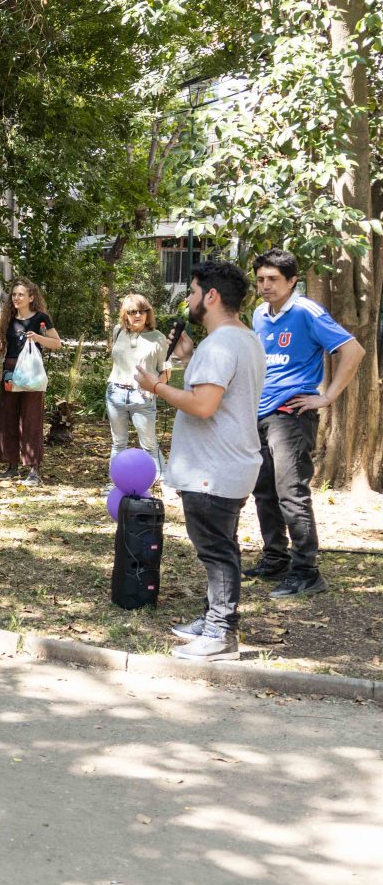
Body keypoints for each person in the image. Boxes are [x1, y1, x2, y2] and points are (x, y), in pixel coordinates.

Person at [135, 261, 265, 662]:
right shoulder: (243, 339)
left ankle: (220, 633)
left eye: (192, 292)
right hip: (229, 463)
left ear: (211, 296)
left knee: (215, 551)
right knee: (219, 545)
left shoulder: (221, 344)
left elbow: (205, 405)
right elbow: (220, 393)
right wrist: (191, 355)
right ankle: (214, 616)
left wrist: (155, 385)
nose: (188, 300)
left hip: (213, 469)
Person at [244, 248, 364, 598]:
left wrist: (326, 396)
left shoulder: (307, 311)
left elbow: (352, 350)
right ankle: (275, 558)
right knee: (264, 489)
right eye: (261, 279)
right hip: (261, 414)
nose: (266, 285)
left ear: (292, 280)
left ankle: (307, 571)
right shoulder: (260, 315)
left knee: (291, 492)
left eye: (273, 280)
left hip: (292, 416)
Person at [0, 277, 62, 485]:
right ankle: (11, 466)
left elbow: (57, 343)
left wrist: (38, 338)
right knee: (8, 417)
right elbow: (3, 346)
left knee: (31, 418)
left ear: (31, 297)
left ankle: (34, 469)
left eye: (21, 294)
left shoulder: (41, 318)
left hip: (31, 373)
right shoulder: (7, 319)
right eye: (14, 294)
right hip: (11, 370)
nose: (16, 298)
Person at [105, 293, 170, 482]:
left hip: (142, 396)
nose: (137, 315)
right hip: (115, 394)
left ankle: (164, 482)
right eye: (132, 311)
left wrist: (153, 389)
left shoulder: (158, 337)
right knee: (118, 443)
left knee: (149, 444)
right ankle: (115, 483)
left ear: (148, 313)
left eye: (142, 311)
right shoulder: (118, 331)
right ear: (125, 314)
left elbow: (164, 372)